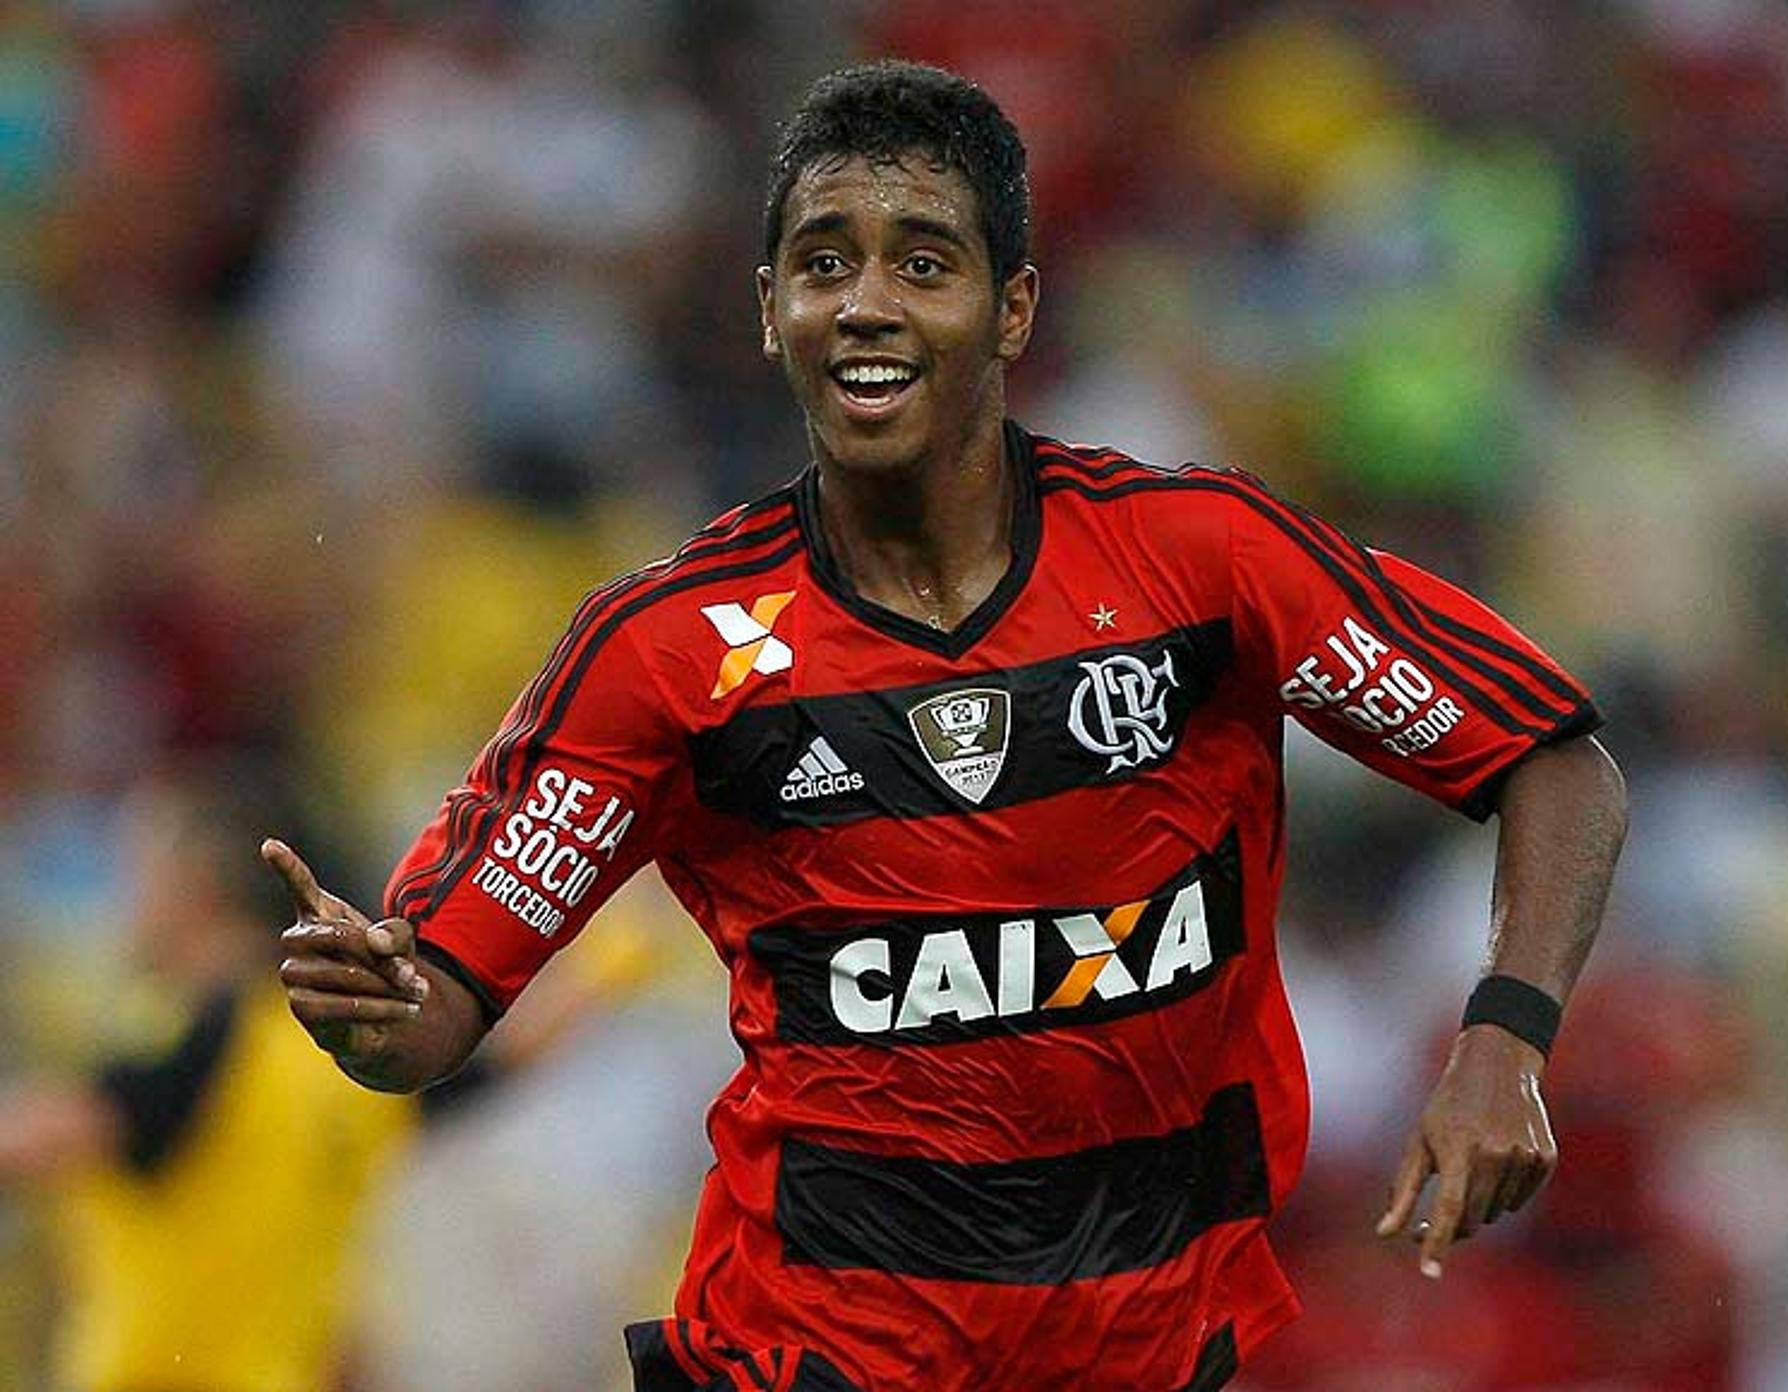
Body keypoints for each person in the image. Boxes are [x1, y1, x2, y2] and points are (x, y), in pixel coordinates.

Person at [266, 60, 1628, 1392]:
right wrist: (373, 1015)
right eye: (822, 263)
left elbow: (1554, 765)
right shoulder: (669, 653)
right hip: (814, 1355)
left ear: (1014, 306)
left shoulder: (1202, 563)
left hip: (1152, 1349)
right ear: (767, 309)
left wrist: (1504, 1041)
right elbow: (433, 1007)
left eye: (923, 262)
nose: (865, 304)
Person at [0, 768, 411, 1392]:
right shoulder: (332, 1043)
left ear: (199, 887)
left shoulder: (203, 1034)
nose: (124, 896)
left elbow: (58, 1131)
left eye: (138, 869)